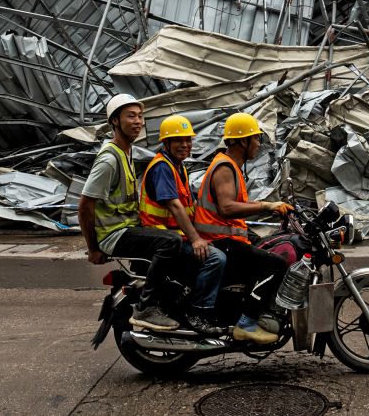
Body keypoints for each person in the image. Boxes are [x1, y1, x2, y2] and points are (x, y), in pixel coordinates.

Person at [77, 93, 187, 332]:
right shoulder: (109, 160)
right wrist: (94, 248)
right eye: (131, 116)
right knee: (171, 243)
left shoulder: (126, 152)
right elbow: (85, 205)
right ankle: (147, 307)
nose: (138, 122)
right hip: (114, 235)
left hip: (127, 228)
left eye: (140, 116)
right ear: (115, 121)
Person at [193, 112, 292, 344]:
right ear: (240, 141)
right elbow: (227, 208)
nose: (258, 144)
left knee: (270, 249)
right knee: (277, 265)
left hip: (227, 238)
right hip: (219, 241)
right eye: (255, 139)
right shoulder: (225, 168)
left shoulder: (232, 167)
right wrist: (268, 205)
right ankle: (247, 322)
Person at [138, 114, 227, 336]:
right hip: (164, 238)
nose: (185, 145)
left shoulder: (179, 168)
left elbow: (191, 207)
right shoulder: (162, 168)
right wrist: (197, 239)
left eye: (188, 140)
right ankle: (198, 312)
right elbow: (175, 206)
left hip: (176, 236)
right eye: (178, 140)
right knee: (216, 259)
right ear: (166, 143)